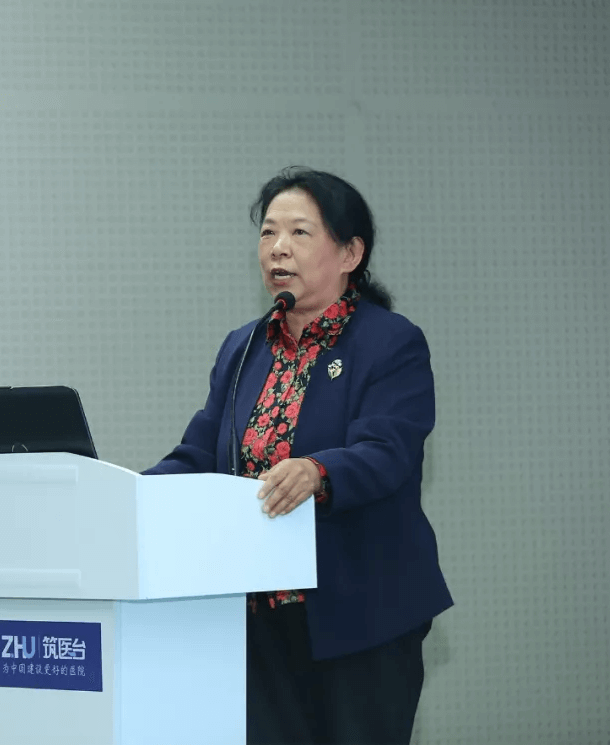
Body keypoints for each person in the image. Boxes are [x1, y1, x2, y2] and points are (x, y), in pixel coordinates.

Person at [144, 167, 453, 745]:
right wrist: (132, 493)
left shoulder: (390, 341)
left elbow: (386, 449)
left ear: (351, 253)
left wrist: (317, 471)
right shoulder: (243, 347)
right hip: (258, 613)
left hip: (360, 610)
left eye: (299, 232)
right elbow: (201, 452)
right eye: (268, 232)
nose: (278, 248)